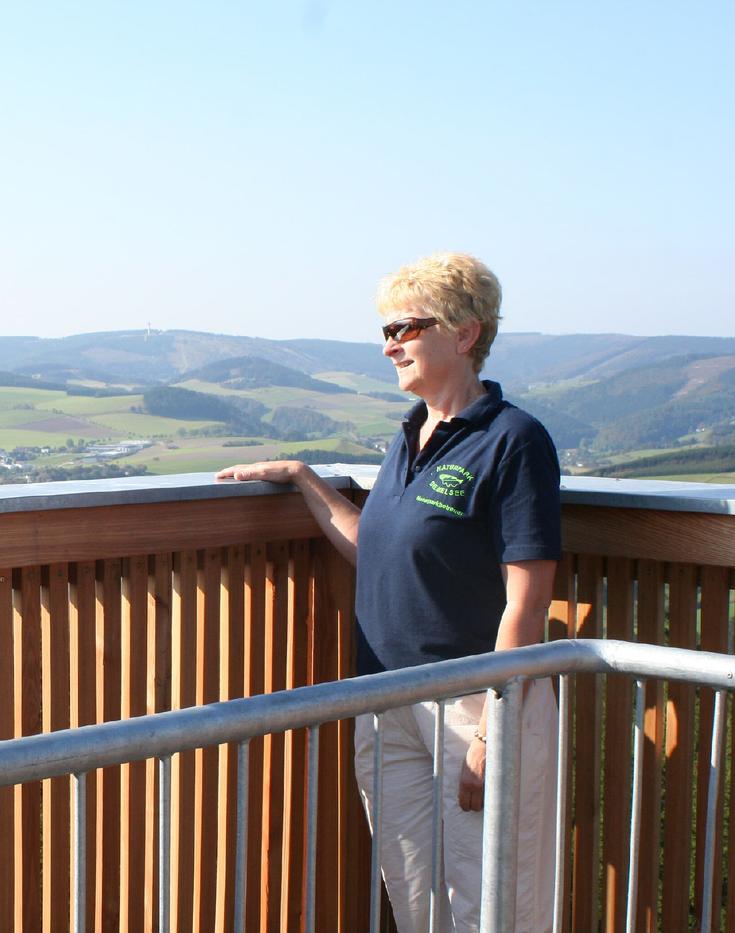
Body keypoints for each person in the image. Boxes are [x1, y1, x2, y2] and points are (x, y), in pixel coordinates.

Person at [217, 252, 560, 932]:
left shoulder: (513, 441)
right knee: (415, 901)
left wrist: (493, 732)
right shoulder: (410, 437)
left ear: (465, 333)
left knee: (493, 904)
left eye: (407, 325)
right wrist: (305, 479)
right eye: (387, 327)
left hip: (475, 704)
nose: (389, 342)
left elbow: (528, 600)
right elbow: (375, 547)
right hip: (387, 702)